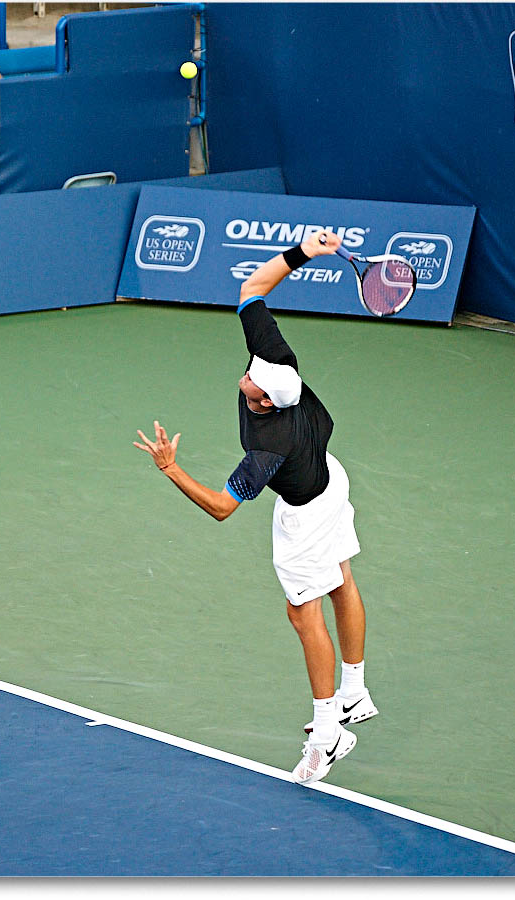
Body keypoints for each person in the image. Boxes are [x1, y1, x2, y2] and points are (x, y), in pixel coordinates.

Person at [134, 229, 378, 785]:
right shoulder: (279, 364)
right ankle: (355, 690)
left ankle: (328, 729)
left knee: (303, 612)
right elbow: (252, 287)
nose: (246, 371)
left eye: (252, 378)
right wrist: (301, 254)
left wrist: (171, 468)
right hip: (330, 477)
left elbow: (222, 508)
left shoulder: (269, 445)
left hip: (306, 509)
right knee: (341, 578)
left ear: (265, 400)